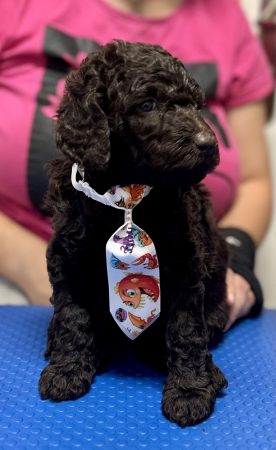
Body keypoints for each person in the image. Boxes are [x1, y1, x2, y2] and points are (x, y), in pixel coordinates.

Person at [0, 0, 274, 330]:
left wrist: (234, 257)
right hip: (25, 292)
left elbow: (253, 181)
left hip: (183, 287)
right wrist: (28, 263)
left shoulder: (226, 18)